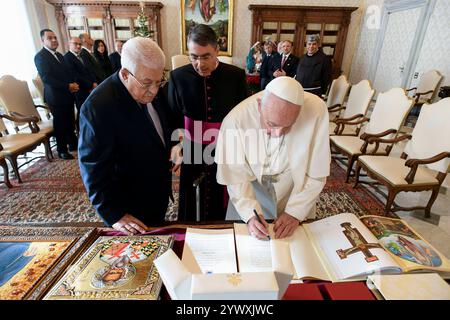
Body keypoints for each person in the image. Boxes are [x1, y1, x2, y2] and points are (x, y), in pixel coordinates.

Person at [78, 37, 175, 235]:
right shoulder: (98, 107)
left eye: (159, 82)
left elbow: (167, 125)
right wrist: (113, 215)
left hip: (157, 191)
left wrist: (175, 144)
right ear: (125, 74)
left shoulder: (151, 86)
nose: (154, 91)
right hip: (130, 208)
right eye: (147, 84)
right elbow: (92, 168)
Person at [215, 76, 330, 239]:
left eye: (288, 126)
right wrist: (249, 214)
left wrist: (296, 211)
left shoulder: (316, 110)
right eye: (272, 124)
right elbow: (235, 177)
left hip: (296, 193)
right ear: (260, 105)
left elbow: (317, 172)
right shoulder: (235, 121)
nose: (278, 134)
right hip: (252, 194)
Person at [168, 24, 248, 222]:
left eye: (206, 56)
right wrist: (176, 147)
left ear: (217, 51)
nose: (199, 64)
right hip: (192, 148)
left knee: (221, 193)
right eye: (194, 57)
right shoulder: (178, 76)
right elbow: (171, 116)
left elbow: (245, 117)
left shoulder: (235, 76)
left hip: (225, 147)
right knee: (193, 196)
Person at [34, 29, 79, 160]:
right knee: (60, 123)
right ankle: (61, 150)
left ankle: (72, 144)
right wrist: (67, 86)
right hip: (55, 96)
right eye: (50, 38)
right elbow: (47, 78)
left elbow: (67, 73)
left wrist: (73, 83)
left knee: (70, 120)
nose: (54, 40)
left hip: (68, 93)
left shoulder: (59, 56)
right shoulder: (40, 56)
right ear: (43, 40)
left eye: (55, 37)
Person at [64, 36, 97, 132]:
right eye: (75, 44)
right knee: (83, 113)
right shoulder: (67, 58)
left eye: (80, 44)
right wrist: (90, 85)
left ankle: (92, 131)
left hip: (90, 88)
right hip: (80, 90)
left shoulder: (82, 55)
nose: (78, 46)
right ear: (69, 44)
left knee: (92, 112)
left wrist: (94, 82)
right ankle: (81, 133)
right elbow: (75, 76)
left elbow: (90, 71)